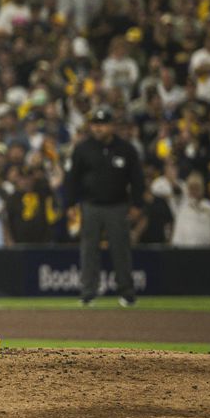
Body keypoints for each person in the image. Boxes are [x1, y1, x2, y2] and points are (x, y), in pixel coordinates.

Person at [64, 106, 145, 307]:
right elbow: (72, 178)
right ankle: (88, 292)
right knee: (88, 250)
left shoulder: (126, 149)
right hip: (90, 205)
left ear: (112, 126)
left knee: (121, 250)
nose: (98, 128)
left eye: (103, 124)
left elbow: (137, 179)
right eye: (95, 124)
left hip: (118, 206)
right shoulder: (83, 148)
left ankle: (126, 292)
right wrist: (70, 203)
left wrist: (137, 204)